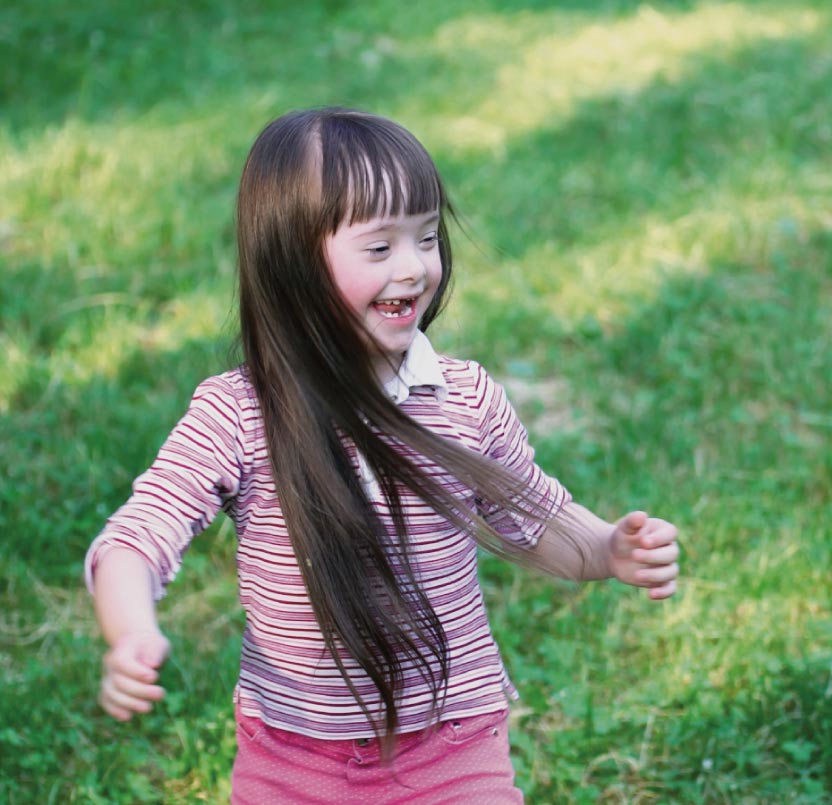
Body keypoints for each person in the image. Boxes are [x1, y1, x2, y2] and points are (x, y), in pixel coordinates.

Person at [85, 107, 680, 803]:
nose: (414, 267)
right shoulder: (239, 413)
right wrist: (131, 630)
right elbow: (138, 536)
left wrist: (607, 547)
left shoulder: (464, 396)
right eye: (378, 248)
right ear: (292, 263)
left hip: (452, 746)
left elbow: (536, 514)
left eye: (426, 237)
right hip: (293, 756)